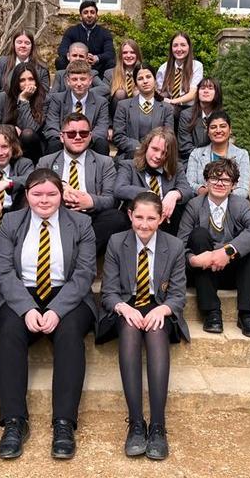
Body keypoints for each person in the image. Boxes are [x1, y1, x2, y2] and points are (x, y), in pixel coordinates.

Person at [0, 168, 98, 460]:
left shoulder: (81, 223)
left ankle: (64, 423)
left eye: (51, 193)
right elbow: (3, 272)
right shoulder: (11, 222)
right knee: (10, 332)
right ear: (27, 195)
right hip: (21, 293)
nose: (44, 200)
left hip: (67, 294)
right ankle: (14, 422)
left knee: (70, 333)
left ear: (62, 195)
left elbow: (85, 273)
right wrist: (26, 308)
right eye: (37, 194)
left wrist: (57, 310)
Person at [98, 192, 189, 460]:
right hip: (127, 304)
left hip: (158, 305)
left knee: (157, 331)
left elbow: (178, 295)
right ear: (130, 216)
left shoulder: (173, 246)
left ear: (161, 218)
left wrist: (164, 309)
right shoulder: (117, 242)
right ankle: (136, 423)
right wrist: (123, 308)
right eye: (139, 217)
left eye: (151, 218)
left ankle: (158, 425)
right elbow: (109, 293)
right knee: (128, 329)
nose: (144, 224)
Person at [177, 159, 250, 338]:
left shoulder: (239, 204)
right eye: (214, 178)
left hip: (234, 272)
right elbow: (179, 245)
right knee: (199, 235)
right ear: (206, 181)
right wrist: (193, 259)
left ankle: (246, 314)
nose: (219, 183)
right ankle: (211, 311)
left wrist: (227, 251)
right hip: (203, 271)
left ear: (234, 185)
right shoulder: (194, 205)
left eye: (226, 180)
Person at [38, 112, 128, 255]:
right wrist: (60, 192)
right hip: (57, 216)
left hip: (91, 219)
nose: (78, 137)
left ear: (90, 136)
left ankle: (77, 255)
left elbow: (112, 199)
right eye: (72, 134)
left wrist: (90, 201)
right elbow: (37, 194)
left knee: (117, 218)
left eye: (84, 133)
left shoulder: (105, 162)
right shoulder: (46, 162)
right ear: (62, 137)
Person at [114, 128, 194, 235]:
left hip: (166, 223)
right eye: (155, 149)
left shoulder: (176, 168)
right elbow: (119, 189)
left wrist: (174, 194)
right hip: (136, 223)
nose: (158, 156)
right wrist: (148, 193)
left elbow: (188, 190)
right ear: (146, 146)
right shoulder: (129, 165)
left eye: (165, 153)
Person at [44, 59, 110, 155]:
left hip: (89, 142)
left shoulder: (101, 102)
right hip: (64, 141)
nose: (79, 84)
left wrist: (83, 140)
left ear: (90, 80)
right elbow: (51, 125)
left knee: (101, 144)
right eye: (74, 79)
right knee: (53, 144)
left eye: (83, 79)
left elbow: (101, 128)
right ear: (68, 81)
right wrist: (68, 139)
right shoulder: (57, 99)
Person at [0, 62, 49, 163]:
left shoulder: (44, 100)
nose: (27, 84)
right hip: (7, 142)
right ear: (16, 82)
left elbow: (30, 128)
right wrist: (11, 130)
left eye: (31, 79)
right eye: (22, 80)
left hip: (32, 148)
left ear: (36, 81)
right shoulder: (5, 97)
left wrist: (23, 100)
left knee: (27, 134)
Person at [112, 64, 173, 160]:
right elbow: (118, 136)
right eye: (140, 78)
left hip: (157, 157)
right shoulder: (123, 106)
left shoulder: (167, 108)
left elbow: (168, 137)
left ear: (155, 80)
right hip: (129, 156)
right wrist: (140, 148)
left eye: (148, 77)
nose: (145, 81)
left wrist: (152, 149)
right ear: (135, 83)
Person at [186, 110, 250, 198]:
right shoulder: (196, 154)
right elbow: (189, 184)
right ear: (208, 132)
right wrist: (203, 190)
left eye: (223, 126)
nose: (218, 130)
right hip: (203, 203)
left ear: (230, 129)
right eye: (213, 127)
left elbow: (243, 190)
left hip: (232, 205)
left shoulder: (242, 154)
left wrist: (219, 194)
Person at [0, 29, 51, 103]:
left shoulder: (42, 68)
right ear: (13, 44)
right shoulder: (2, 62)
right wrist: (13, 102)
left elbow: (44, 94)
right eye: (19, 42)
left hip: (32, 110)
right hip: (6, 108)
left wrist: (25, 101)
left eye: (27, 43)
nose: (23, 45)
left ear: (32, 46)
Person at [55, 0, 115, 74]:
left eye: (92, 12)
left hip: (96, 67)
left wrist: (96, 58)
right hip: (74, 65)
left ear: (96, 15)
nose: (89, 15)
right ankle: (67, 83)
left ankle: (103, 84)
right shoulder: (71, 31)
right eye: (85, 12)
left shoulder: (105, 33)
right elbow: (62, 49)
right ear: (81, 16)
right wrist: (78, 57)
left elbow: (110, 53)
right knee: (60, 60)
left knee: (111, 62)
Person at [156, 32, 203, 121]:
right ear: (171, 48)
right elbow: (162, 92)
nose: (179, 49)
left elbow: (193, 94)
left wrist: (172, 101)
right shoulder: (163, 68)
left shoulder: (197, 66)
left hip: (189, 107)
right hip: (170, 108)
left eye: (183, 45)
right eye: (175, 45)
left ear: (189, 47)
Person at [177, 77, 223, 162]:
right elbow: (185, 147)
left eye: (210, 88)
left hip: (217, 161)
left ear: (217, 93)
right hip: (191, 161)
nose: (206, 91)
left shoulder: (222, 117)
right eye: (202, 88)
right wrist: (206, 158)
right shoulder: (186, 115)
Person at [104, 39, 143, 121]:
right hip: (115, 119)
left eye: (132, 52)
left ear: (137, 55)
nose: (128, 56)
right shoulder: (109, 74)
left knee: (137, 93)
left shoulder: (144, 73)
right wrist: (109, 126)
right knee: (120, 93)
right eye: (125, 53)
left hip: (138, 118)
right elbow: (103, 103)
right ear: (120, 56)